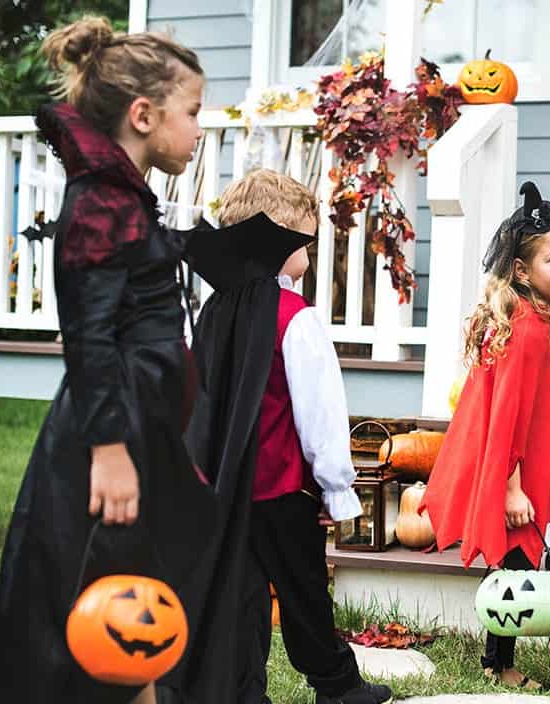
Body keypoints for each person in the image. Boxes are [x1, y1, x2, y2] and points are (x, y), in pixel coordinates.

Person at [0, 16, 215, 704]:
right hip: (113, 426)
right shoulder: (102, 203)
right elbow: (89, 333)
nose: (200, 130)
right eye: (192, 113)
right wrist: (109, 447)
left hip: (143, 421)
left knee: (134, 581)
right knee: (89, 599)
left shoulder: (128, 198)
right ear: (143, 114)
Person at [167, 170, 392, 704]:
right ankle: (336, 685)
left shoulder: (214, 311)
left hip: (229, 487)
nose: (310, 258)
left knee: (241, 596)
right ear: (277, 242)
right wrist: (337, 491)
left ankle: (242, 691)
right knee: (304, 593)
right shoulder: (297, 318)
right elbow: (320, 415)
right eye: (305, 245)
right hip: (285, 490)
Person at [421, 182, 550, 692]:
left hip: (530, 446)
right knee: (515, 560)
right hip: (506, 458)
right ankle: (500, 665)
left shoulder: (538, 317)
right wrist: (512, 488)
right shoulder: (528, 329)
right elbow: (508, 415)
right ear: (521, 271)